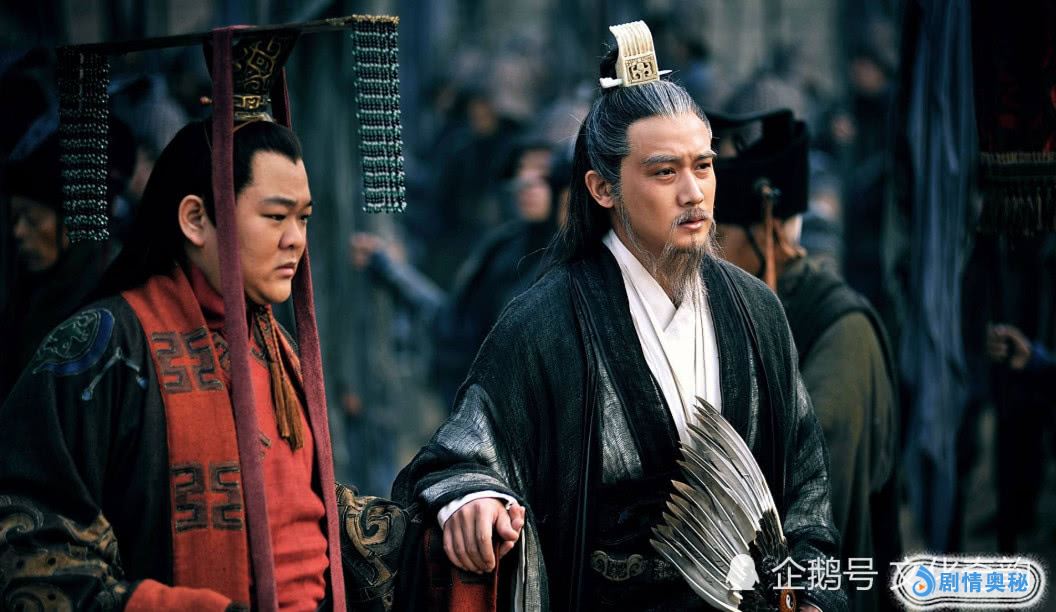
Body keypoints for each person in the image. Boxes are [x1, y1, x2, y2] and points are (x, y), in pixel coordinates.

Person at [393, 23, 845, 612]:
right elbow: (459, 457)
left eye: (703, 166)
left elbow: (806, 488)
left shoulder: (756, 311)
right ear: (602, 188)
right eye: (664, 171)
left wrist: (810, 593)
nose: (694, 193)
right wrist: (474, 499)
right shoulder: (545, 322)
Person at [711, 108, 901, 612]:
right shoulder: (730, 310)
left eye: (717, 235)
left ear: (768, 231)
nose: (705, 252)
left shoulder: (840, 329)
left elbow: (818, 496)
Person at [0, 120, 135, 402]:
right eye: (14, 218)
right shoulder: (26, 293)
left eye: (32, 219)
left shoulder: (116, 294)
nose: (19, 232)